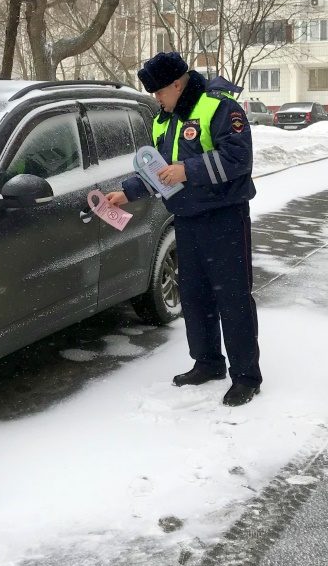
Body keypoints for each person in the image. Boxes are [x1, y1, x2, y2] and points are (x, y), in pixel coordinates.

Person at [106, 51, 262, 406]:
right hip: (187, 219)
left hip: (224, 217)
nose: (156, 99)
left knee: (232, 298)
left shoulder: (219, 108)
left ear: (178, 83)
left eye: (159, 91)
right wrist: (125, 193)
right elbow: (159, 171)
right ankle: (207, 362)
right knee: (195, 296)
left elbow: (239, 160)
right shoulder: (165, 119)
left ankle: (246, 376)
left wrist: (188, 170)